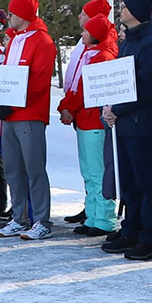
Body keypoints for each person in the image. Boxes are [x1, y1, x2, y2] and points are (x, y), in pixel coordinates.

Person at [105, 0, 152, 261]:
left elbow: (147, 87)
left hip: (142, 123)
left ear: (138, 11)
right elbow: (120, 80)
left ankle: (150, 237)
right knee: (129, 181)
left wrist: (117, 109)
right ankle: (131, 228)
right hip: (126, 122)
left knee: (146, 181)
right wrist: (109, 108)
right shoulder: (131, 39)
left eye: (125, 6)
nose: (120, 10)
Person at [0, 0, 56, 239]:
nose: (8, 17)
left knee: (34, 168)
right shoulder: (15, 39)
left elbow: (39, 82)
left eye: (11, 13)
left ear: (21, 15)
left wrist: (12, 103)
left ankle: (42, 220)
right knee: (12, 169)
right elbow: (9, 77)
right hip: (11, 115)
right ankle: (19, 217)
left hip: (29, 113)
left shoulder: (42, 41)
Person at [61, 12, 118, 238]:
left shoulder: (102, 57)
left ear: (94, 35)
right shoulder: (90, 54)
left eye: (86, 31)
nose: (82, 33)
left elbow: (84, 91)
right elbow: (76, 89)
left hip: (94, 120)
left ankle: (104, 219)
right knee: (89, 172)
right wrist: (67, 106)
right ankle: (94, 216)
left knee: (98, 172)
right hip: (85, 120)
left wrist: (68, 107)